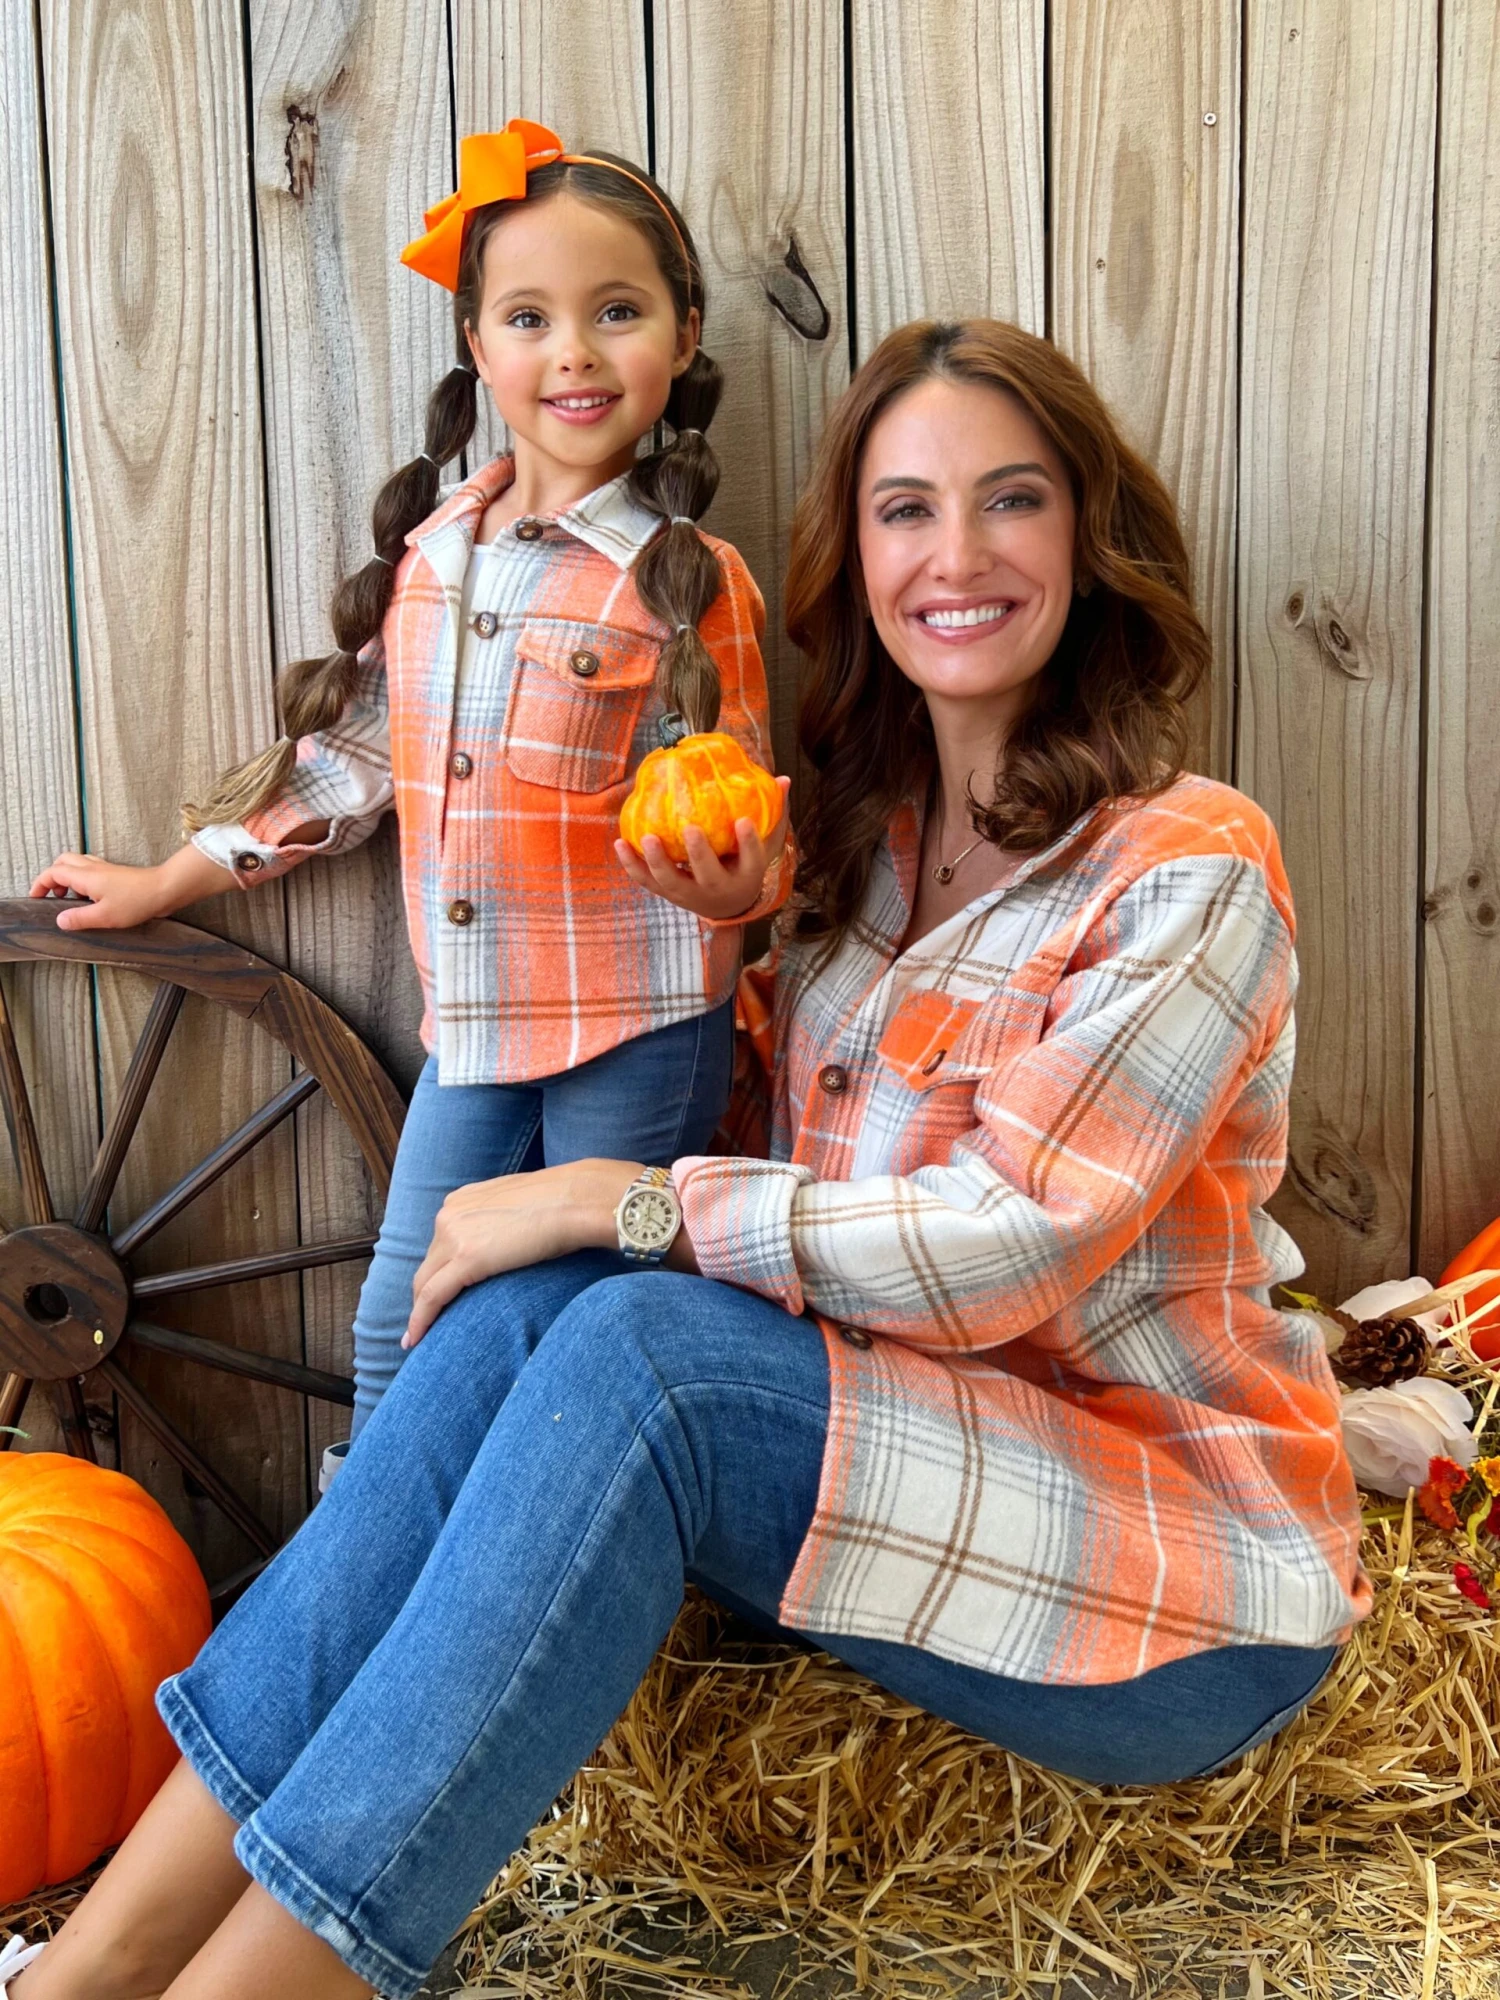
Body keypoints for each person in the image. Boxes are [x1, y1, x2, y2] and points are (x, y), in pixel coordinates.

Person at [5, 318, 1370, 2000]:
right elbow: (785, 1200)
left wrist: (612, 1195)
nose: (955, 556)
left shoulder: (1189, 866)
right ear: (853, 555)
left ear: (1091, 541)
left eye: (1010, 503)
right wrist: (725, 969)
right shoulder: (857, 859)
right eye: (905, 511)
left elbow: (1003, 1245)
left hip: (1173, 1586)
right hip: (907, 1485)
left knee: (640, 1339)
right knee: (526, 1315)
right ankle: (82, 1976)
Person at [28, 120, 788, 1443]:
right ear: (480, 348)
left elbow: (737, 807)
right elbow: (350, 765)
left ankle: (576, 1603)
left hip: (642, 1023)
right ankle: (378, 1589)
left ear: (683, 331)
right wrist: (169, 878)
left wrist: (736, 887)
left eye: (617, 311)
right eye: (530, 316)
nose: (575, 352)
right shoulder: (437, 562)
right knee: (402, 1318)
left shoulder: (685, 582)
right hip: (478, 1030)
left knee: (585, 1317)